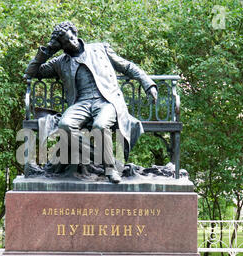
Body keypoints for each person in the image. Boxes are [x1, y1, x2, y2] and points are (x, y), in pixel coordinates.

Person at [25, 21, 158, 183]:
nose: (71, 42)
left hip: (106, 101)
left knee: (100, 126)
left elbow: (127, 66)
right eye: (66, 42)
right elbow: (31, 72)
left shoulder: (100, 48)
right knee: (65, 126)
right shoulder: (60, 62)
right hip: (81, 104)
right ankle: (106, 161)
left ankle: (110, 170)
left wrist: (148, 83)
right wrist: (47, 51)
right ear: (61, 45)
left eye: (71, 37)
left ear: (75, 33)